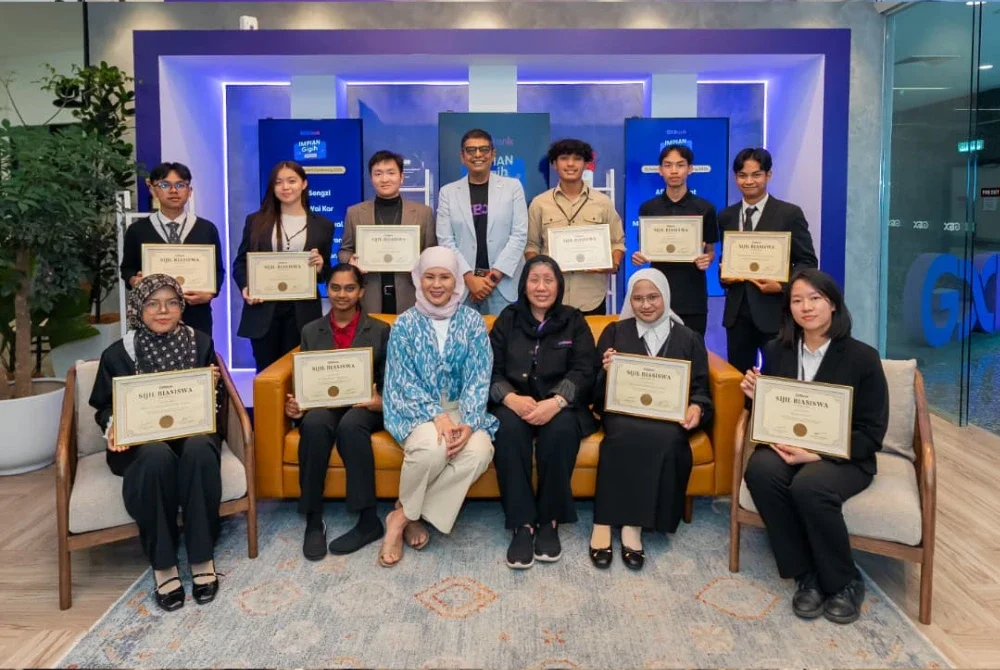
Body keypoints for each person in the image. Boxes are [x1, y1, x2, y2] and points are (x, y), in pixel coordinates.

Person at [740, 268, 888, 625]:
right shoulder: (776, 351)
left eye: (815, 299)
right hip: (787, 447)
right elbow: (768, 415)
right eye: (796, 300)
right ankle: (804, 573)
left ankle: (842, 581)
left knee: (809, 484)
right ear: (788, 308)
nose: (806, 307)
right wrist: (753, 397)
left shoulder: (863, 358)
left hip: (845, 456)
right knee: (759, 470)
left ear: (833, 304)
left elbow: (871, 433)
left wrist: (818, 453)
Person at [89, 274, 224, 612]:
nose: (163, 310)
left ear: (182, 306)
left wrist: (212, 387)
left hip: (191, 433)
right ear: (138, 308)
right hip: (140, 443)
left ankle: (201, 557)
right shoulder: (118, 353)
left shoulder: (201, 343)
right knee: (155, 456)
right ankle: (164, 564)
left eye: (172, 302)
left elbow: (211, 401)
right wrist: (113, 426)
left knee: (197, 449)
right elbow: (104, 406)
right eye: (153, 303)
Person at [379, 246, 497, 566]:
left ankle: (402, 516)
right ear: (418, 279)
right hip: (416, 409)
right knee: (432, 449)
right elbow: (402, 381)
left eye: (445, 276)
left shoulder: (472, 322)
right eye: (429, 276)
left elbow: (479, 376)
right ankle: (409, 517)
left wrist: (469, 423)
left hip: (465, 408)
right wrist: (439, 417)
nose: (437, 284)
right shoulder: (404, 324)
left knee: (480, 450)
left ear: (457, 280)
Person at [589, 269, 712, 570]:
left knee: (667, 438)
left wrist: (696, 408)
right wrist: (605, 370)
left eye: (653, 297)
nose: (646, 304)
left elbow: (701, 389)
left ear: (665, 297)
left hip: (668, 417)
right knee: (621, 436)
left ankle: (634, 525)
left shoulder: (688, 337)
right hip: (622, 412)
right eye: (638, 298)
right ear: (630, 300)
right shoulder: (615, 333)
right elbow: (591, 388)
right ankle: (603, 521)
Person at [489, 255, 597, 569]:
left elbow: (584, 369)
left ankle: (549, 520)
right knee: (506, 430)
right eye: (534, 279)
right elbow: (489, 370)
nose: (541, 287)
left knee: (562, 430)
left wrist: (557, 401)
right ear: (523, 285)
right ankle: (522, 524)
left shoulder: (574, 320)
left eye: (548, 280)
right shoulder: (507, 319)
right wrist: (510, 398)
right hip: (514, 404)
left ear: (559, 286)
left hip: (560, 405)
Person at [284, 263, 391, 560]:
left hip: (366, 406)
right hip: (326, 404)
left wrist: (379, 399)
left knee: (351, 425)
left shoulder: (381, 330)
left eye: (349, 288)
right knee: (315, 421)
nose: (342, 295)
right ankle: (313, 518)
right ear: (326, 289)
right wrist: (296, 405)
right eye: (335, 288)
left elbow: (388, 379)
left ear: (361, 292)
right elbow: (305, 381)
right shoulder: (310, 331)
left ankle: (368, 519)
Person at [719, 147, 817, 374]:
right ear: (735, 178)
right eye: (742, 176)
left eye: (756, 175)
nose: (749, 181)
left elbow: (808, 261)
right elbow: (726, 262)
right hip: (737, 315)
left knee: (780, 375)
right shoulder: (726, 216)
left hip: (775, 313)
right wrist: (725, 275)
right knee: (738, 379)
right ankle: (744, 412)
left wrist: (782, 286)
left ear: (768, 175)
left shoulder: (789, 214)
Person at [233, 161, 334, 372]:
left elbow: (326, 273)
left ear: (304, 184)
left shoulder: (323, 225)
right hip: (263, 311)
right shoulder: (256, 221)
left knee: (299, 376)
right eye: (279, 182)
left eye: (292, 181)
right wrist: (246, 288)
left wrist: (321, 267)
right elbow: (241, 263)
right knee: (266, 375)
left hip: (302, 313)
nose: (285, 187)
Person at [120, 162, 225, 337]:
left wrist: (210, 294)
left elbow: (218, 270)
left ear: (189, 191)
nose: (173, 190)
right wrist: (134, 280)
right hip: (153, 317)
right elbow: (127, 268)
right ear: (153, 190)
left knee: (198, 362)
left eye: (180, 185)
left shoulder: (206, 229)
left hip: (196, 315)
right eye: (165, 185)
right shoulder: (138, 231)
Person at [526, 139, 625, 315]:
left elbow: (617, 242)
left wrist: (613, 264)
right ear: (555, 164)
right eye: (564, 158)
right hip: (550, 297)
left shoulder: (603, 202)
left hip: (591, 297)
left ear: (586, 164)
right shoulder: (539, 203)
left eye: (577, 159)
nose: (570, 164)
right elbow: (531, 245)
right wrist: (538, 270)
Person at [436, 128, 528, 315]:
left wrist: (491, 280)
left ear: (493, 154)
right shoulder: (448, 192)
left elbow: (519, 235)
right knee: (463, 343)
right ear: (462, 156)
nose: (478, 155)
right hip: (464, 285)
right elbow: (446, 240)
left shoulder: (513, 188)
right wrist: (470, 279)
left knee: (503, 342)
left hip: (503, 285)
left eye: (484, 149)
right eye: (471, 150)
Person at [630, 144, 718, 336]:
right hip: (656, 296)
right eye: (668, 165)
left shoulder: (705, 209)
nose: (674, 171)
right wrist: (638, 257)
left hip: (692, 295)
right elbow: (644, 250)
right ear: (660, 170)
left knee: (692, 352)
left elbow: (710, 250)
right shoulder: (648, 209)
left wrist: (707, 258)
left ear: (690, 169)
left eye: (680, 165)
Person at [338, 150, 437, 314]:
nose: (384, 179)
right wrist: (351, 260)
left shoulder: (423, 213)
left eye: (391, 173)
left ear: (402, 177)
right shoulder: (354, 213)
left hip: (410, 293)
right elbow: (344, 251)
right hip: (369, 294)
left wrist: (421, 262)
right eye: (378, 173)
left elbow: (431, 252)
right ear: (371, 178)